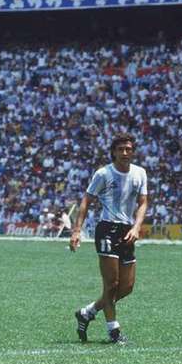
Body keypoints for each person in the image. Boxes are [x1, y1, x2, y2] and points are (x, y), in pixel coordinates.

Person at [69, 133, 148, 345]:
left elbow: (143, 203)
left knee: (127, 287)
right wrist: (77, 230)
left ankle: (87, 312)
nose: (124, 153)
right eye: (120, 149)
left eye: (128, 149)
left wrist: (137, 226)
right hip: (107, 230)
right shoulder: (104, 174)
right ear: (113, 152)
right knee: (111, 284)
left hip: (128, 231)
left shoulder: (140, 173)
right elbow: (86, 201)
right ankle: (114, 332)